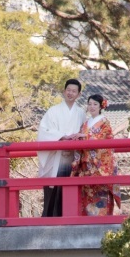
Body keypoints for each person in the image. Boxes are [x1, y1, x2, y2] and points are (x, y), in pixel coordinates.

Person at [37, 78, 86, 216]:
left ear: (79, 94)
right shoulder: (53, 111)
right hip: (56, 156)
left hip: (74, 157)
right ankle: (49, 219)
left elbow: (85, 132)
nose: (70, 93)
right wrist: (62, 137)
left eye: (74, 91)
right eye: (68, 90)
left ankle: (70, 218)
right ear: (64, 92)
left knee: (71, 190)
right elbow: (44, 131)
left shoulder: (81, 113)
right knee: (53, 191)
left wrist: (78, 136)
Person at [71, 92, 120, 215]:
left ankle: (103, 219)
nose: (92, 106)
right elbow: (82, 139)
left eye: (95, 104)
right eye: (89, 104)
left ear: (100, 106)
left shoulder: (105, 122)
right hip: (86, 166)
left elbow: (104, 139)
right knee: (87, 193)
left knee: (101, 193)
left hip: (99, 166)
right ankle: (87, 220)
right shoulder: (85, 124)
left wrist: (84, 136)